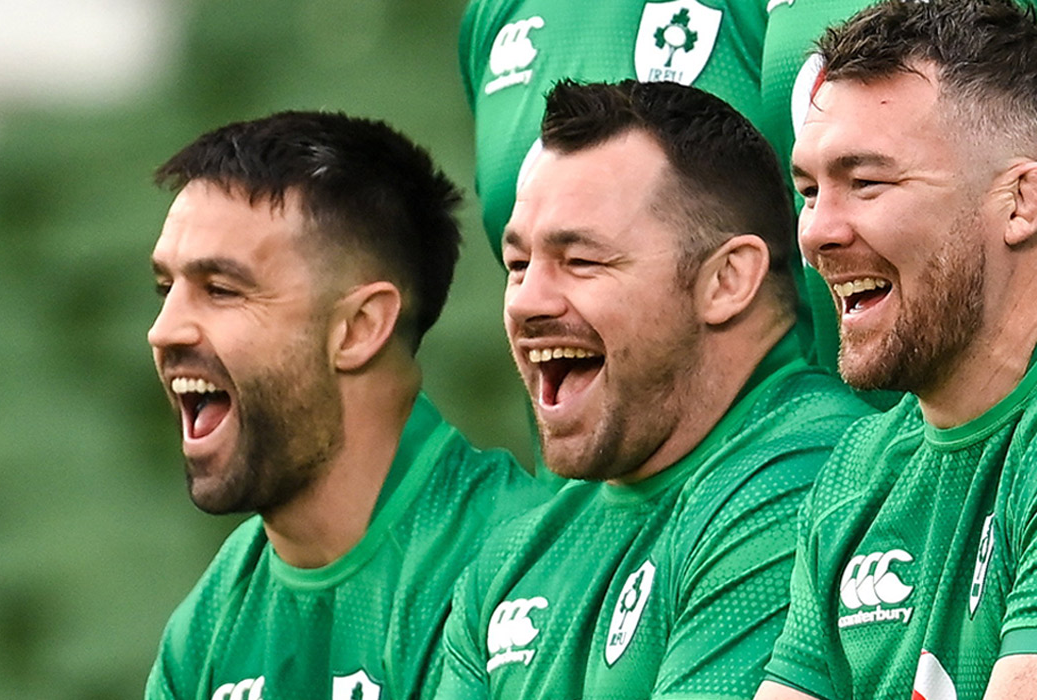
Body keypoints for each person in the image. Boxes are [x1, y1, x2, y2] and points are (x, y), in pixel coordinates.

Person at [435, 79, 872, 699]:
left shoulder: (814, 480)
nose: (527, 301)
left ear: (727, 279)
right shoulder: (511, 563)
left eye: (582, 260)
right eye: (518, 265)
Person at [143, 111, 548, 700]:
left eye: (221, 290)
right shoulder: (205, 632)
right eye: (166, 289)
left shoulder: (521, 563)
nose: (164, 330)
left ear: (359, 327)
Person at [756, 2, 1037, 698]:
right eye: (808, 190)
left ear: (1021, 200)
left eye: (867, 183)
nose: (816, 231)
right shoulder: (855, 473)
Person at [459, 0, 825, 484]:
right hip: (589, 518)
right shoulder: (494, 16)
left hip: (779, 485)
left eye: (584, 259)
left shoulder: (774, 17)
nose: (528, 298)